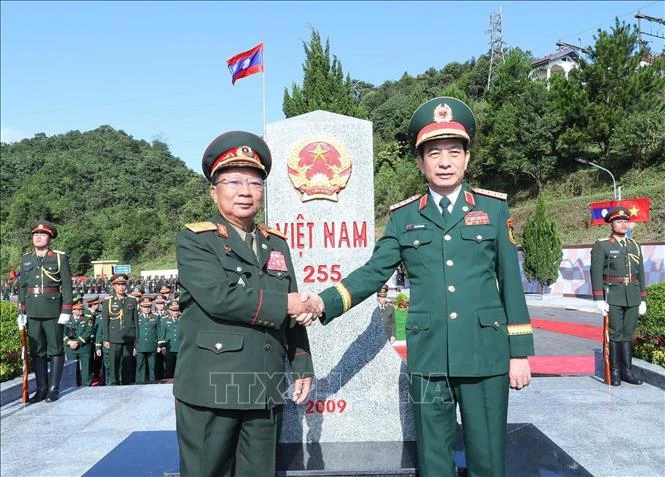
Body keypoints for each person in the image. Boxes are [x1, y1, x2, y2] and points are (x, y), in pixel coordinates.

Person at [303, 97, 534, 477]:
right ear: (420, 162)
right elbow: (373, 271)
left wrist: (519, 353)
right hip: (429, 359)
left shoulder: (493, 211)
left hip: (486, 354)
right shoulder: (403, 217)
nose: (445, 162)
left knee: (488, 459)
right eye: (434, 153)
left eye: (454, 152)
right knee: (433, 461)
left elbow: (511, 283)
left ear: (467, 159)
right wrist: (321, 302)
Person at [174, 130, 318, 477]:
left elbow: (293, 309)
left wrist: (301, 364)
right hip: (212, 387)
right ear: (214, 191)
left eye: (254, 182)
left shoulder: (276, 244)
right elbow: (220, 298)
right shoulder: (197, 240)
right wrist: (287, 304)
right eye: (233, 181)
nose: (245, 191)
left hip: (264, 386)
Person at [590, 206, 647, 386]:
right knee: (615, 334)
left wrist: (642, 298)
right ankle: (614, 372)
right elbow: (596, 272)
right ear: (611, 224)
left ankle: (627, 371)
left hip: (632, 295)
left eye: (626, 221)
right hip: (613, 295)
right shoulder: (603, 245)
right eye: (619, 221)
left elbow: (641, 273)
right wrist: (598, 298)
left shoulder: (634, 245)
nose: (624, 224)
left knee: (628, 334)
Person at [17, 220, 73, 403]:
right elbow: (23, 286)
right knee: (37, 351)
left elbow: (66, 284)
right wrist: (22, 311)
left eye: (42, 234)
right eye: (35, 234)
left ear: (50, 238)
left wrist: (66, 309)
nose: (38, 237)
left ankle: (53, 389)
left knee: (55, 349)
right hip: (32, 311)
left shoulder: (59, 257)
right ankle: (41, 389)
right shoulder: (26, 258)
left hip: (53, 310)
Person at [101, 273, 138, 385]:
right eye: (118, 285)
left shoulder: (131, 300)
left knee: (127, 364)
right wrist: (106, 339)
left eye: (123, 284)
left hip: (129, 336)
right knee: (114, 363)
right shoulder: (108, 301)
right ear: (113, 286)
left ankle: (126, 384)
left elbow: (135, 320)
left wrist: (137, 337)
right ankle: (114, 383)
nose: (121, 287)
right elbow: (105, 321)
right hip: (114, 336)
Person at [64, 295, 94, 386]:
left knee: (86, 369)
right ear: (73, 310)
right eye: (78, 309)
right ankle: (74, 386)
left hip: (84, 347)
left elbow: (88, 331)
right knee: (73, 370)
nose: (81, 310)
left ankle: (86, 386)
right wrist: (69, 342)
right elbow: (61, 331)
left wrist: (77, 342)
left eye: (81, 308)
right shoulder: (65, 316)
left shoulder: (88, 315)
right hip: (70, 348)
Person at [135, 295, 159, 383]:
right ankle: (139, 382)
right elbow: (134, 332)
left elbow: (158, 331)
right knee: (140, 365)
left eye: (148, 306)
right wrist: (134, 346)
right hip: (140, 344)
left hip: (152, 344)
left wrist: (159, 345)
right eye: (144, 307)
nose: (147, 309)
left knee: (152, 365)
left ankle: (152, 381)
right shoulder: (137, 317)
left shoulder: (156, 317)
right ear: (140, 307)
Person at [158, 299, 180, 379]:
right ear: (169, 311)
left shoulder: (182, 319)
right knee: (169, 367)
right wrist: (162, 347)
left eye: (177, 310)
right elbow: (162, 335)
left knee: (179, 367)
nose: (175, 312)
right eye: (173, 311)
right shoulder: (164, 320)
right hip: (169, 347)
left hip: (179, 346)